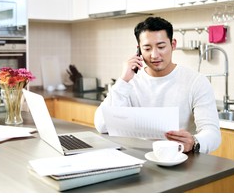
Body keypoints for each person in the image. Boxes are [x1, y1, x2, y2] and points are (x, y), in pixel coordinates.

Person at [94, 16, 221, 153]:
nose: (154, 55)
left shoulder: (196, 82)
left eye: (161, 47)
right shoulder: (130, 82)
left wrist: (194, 142)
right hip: (137, 157)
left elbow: (212, 133)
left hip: (179, 159)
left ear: (173, 45)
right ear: (139, 50)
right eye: (147, 48)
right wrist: (123, 81)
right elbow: (102, 125)